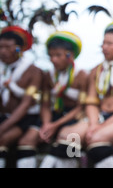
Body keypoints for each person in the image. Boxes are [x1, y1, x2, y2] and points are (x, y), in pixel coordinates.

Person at [63, 21, 113, 167]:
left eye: (109, 43)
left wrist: (102, 126)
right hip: (99, 117)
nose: (104, 47)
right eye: (103, 43)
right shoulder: (97, 70)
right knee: (68, 137)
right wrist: (94, 124)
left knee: (98, 140)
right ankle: (76, 162)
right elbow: (92, 102)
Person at [38, 31, 89, 168]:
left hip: (75, 118)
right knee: (31, 137)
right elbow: (45, 104)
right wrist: (47, 124)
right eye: (51, 55)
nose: (53, 59)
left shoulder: (81, 75)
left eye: (58, 55)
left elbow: (81, 107)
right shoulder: (49, 75)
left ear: (69, 55)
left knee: (70, 140)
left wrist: (55, 125)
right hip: (55, 115)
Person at [0, 25, 44, 168]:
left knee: (3, 139)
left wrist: (3, 127)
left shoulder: (33, 71)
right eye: (0, 47)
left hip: (26, 119)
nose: (3, 51)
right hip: (6, 117)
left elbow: (26, 105)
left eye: (7, 47)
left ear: (19, 49)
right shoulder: (3, 70)